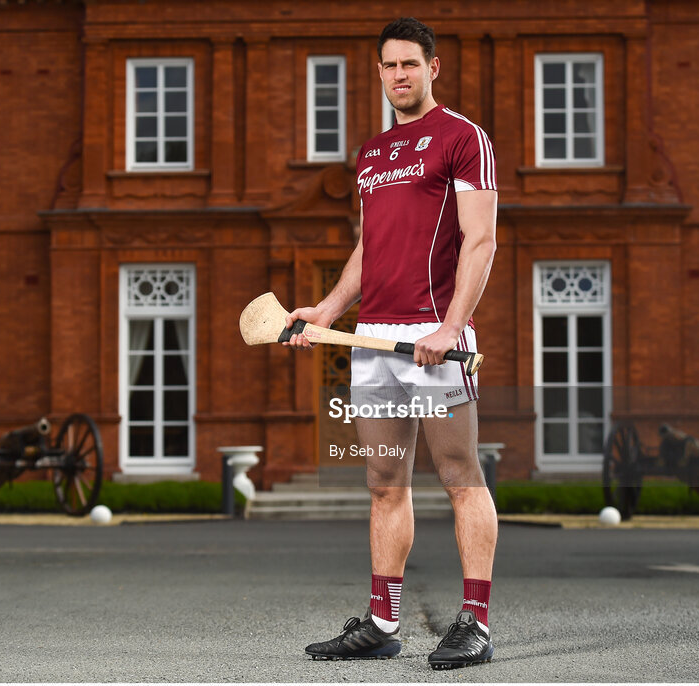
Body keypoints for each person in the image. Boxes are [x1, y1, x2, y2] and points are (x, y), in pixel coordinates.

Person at [282, 17, 498, 671]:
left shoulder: (464, 139)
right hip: (374, 339)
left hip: (433, 333)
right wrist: (325, 308)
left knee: (460, 477)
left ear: (433, 68)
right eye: (389, 65)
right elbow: (367, 250)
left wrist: (452, 325)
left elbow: (482, 240)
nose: (399, 74)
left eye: (411, 63)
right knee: (383, 483)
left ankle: (476, 625)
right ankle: (381, 622)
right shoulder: (373, 155)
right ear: (378, 74)